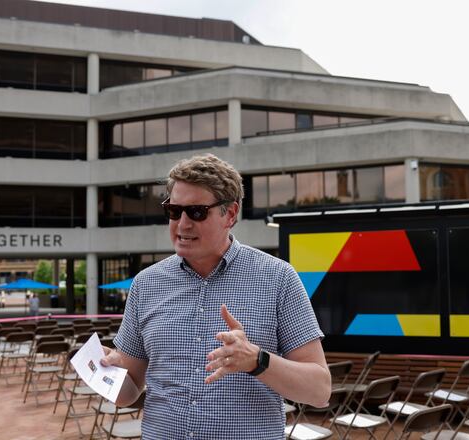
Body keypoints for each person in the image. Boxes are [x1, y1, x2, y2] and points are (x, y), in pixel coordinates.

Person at [101, 153, 331, 439]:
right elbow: (129, 391)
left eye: (196, 212)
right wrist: (102, 373)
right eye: (174, 211)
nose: (182, 224)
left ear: (230, 214)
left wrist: (257, 360)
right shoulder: (146, 284)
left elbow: (319, 391)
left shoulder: (278, 278)